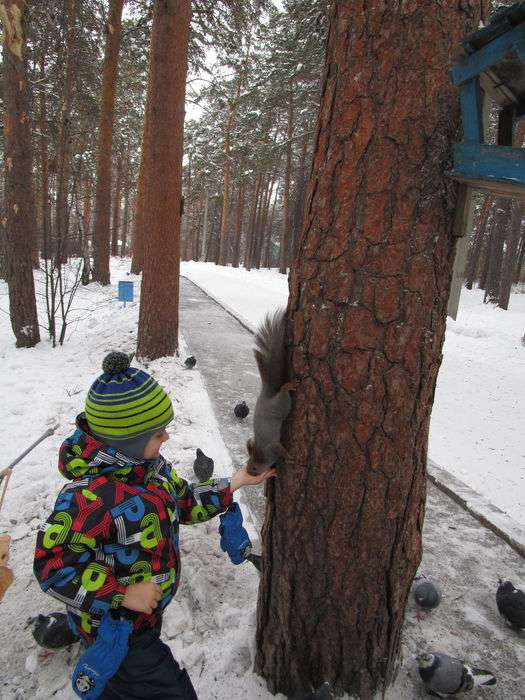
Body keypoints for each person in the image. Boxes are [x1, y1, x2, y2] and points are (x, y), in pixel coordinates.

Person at [33, 352, 275, 699]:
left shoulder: (151, 469)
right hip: (115, 628)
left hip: (142, 616)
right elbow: (52, 566)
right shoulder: (88, 498)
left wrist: (234, 483)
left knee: (122, 686)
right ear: (128, 440)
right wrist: (120, 593)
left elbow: (185, 503)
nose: (167, 439)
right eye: (158, 434)